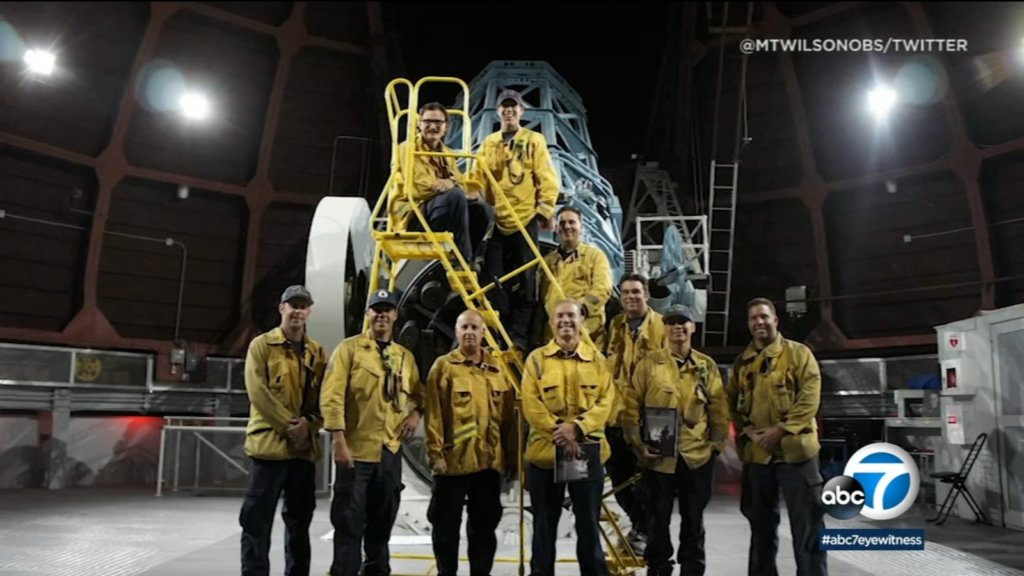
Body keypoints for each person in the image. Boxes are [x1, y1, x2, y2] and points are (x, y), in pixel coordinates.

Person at [321, 289, 424, 576]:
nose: (381, 314)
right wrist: (339, 441)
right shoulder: (349, 350)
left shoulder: (404, 357)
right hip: (355, 451)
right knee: (348, 521)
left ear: (395, 315)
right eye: (376, 309)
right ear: (368, 315)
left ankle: (377, 571)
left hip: (389, 451)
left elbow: (419, 394)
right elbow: (332, 396)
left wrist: (415, 414)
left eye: (387, 309)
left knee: (382, 522)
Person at [623, 305, 728, 576]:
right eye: (671, 323)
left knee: (693, 519)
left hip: (696, 456)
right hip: (659, 457)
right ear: (665, 328)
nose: (677, 327)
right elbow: (631, 405)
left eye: (683, 322)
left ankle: (692, 568)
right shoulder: (649, 364)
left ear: (693, 327)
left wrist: (715, 446)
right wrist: (637, 444)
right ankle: (659, 567)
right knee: (657, 519)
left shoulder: (706, 366)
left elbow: (718, 408)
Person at [727, 297, 827, 576]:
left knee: (807, 528)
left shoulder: (799, 354)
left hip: (797, 454)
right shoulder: (742, 363)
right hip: (758, 456)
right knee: (760, 529)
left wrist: (780, 431)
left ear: (775, 320)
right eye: (753, 318)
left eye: (763, 316)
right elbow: (731, 401)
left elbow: (809, 399)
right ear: (748, 324)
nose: (759, 322)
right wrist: (747, 431)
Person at [521, 299, 615, 576]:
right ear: (551, 323)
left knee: (588, 523)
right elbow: (531, 403)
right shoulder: (536, 360)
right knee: (544, 524)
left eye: (571, 316)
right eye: (559, 316)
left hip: (586, 452)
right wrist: (560, 431)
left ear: (581, 321)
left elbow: (606, 400)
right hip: (545, 455)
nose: (565, 321)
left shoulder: (597, 361)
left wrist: (578, 428)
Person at [239, 285, 326, 576]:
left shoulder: (317, 353)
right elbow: (258, 393)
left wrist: (310, 425)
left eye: (303, 306)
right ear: (282, 309)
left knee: (300, 524)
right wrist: (291, 427)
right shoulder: (261, 346)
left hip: (302, 454)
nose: (298, 311)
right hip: (269, 450)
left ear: (309, 312)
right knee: (256, 523)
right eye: (293, 305)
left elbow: (325, 399)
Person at [424, 309, 512, 576]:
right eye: (464, 328)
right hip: (452, 464)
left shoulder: (498, 370)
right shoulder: (443, 367)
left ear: (484, 333)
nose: (470, 333)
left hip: (487, 465)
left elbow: (507, 419)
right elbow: (434, 414)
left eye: (475, 327)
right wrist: (435, 455)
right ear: (457, 332)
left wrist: (509, 460)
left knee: (484, 529)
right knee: (445, 528)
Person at [472, 89, 560, 350]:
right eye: (504, 107)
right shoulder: (489, 143)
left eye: (514, 107)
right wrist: (472, 199)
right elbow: (476, 174)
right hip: (496, 222)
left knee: (527, 282)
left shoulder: (534, 140)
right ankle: (499, 336)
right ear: (498, 111)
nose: (509, 110)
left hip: (525, 219)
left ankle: (520, 338)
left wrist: (545, 210)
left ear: (521, 111)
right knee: (494, 279)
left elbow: (546, 176)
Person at [601, 274, 667, 553]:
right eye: (626, 292)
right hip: (617, 416)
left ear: (647, 295)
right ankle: (640, 526)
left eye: (636, 292)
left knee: (648, 482)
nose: (631, 297)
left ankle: (650, 537)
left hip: (649, 417)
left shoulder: (662, 328)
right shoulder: (615, 326)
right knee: (619, 479)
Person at [390, 102, 493, 263]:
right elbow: (418, 186)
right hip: (414, 214)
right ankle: (462, 260)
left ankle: (472, 257)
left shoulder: (447, 154)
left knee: (482, 209)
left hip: (442, 209)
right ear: (419, 124)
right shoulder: (407, 148)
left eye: (438, 122)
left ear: (446, 127)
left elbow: (460, 182)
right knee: (455, 195)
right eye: (428, 121)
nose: (433, 126)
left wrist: (455, 185)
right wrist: (452, 186)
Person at [539, 206, 613, 349]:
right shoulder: (547, 262)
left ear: (581, 226)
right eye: (562, 223)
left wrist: (580, 310)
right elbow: (542, 301)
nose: (567, 226)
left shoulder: (595, 257)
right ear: (556, 228)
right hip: (554, 341)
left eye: (572, 222)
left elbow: (602, 289)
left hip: (587, 339)